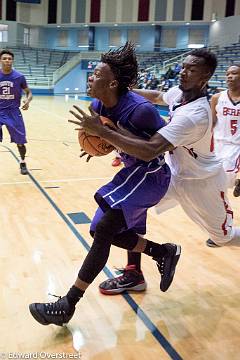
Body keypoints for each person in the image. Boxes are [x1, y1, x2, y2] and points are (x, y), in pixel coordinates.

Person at [29, 42, 181, 326]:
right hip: (132, 172)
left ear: (112, 82)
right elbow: (110, 136)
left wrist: (104, 132)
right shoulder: (97, 105)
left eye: (95, 74)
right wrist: (98, 143)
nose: (90, 77)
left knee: (105, 230)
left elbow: (153, 149)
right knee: (100, 230)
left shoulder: (142, 111)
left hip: (151, 175)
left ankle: (68, 304)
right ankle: (162, 252)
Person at [68, 48, 240, 293]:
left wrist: (105, 131)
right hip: (172, 172)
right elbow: (159, 95)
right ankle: (134, 273)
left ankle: (154, 258)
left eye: (192, 70)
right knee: (127, 209)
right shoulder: (180, 95)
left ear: (205, 77)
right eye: (183, 66)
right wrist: (118, 89)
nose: (183, 72)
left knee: (223, 237)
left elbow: (150, 149)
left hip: (201, 182)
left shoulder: (194, 115)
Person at [0, 49, 32, 175]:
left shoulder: (19, 77)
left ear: (12, 61)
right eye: (4, 58)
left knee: (20, 142)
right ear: (0, 60)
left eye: (9, 58)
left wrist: (27, 100)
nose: (7, 61)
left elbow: (28, 92)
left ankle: (23, 162)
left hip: (13, 112)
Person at [211, 63, 240, 197]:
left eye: (234, 73)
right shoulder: (217, 98)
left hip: (236, 146)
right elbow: (211, 122)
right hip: (217, 144)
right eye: (228, 74)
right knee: (216, 181)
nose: (229, 76)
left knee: (220, 182)